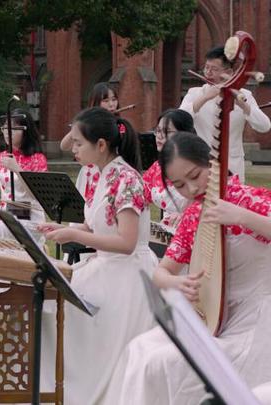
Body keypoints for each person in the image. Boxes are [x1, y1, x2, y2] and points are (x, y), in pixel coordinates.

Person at [103, 132, 271, 405]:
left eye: (195, 176)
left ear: (212, 164)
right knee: (139, 349)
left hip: (256, 320)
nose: (191, 190)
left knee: (166, 362)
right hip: (213, 317)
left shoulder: (248, 199)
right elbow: (161, 272)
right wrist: (176, 283)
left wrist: (240, 216)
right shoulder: (194, 213)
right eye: (180, 185)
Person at [38, 107, 157, 404]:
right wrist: (66, 227)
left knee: (58, 314)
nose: (73, 148)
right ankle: (58, 389)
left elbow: (126, 242)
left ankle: (72, 390)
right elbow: (96, 223)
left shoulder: (127, 179)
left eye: (79, 143)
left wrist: (75, 236)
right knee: (47, 307)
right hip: (106, 267)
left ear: (101, 145)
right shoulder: (101, 174)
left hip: (127, 276)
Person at [180, 46, 271, 181]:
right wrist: (204, 98)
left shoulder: (244, 95)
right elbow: (179, 119)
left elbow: (264, 126)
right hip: (202, 163)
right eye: (206, 67)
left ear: (228, 72)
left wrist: (244, 105)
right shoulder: (195, 93)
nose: (208, 73)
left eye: (214, 69)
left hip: (232, 165)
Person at [0, 108, 47, 243]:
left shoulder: (37, 158)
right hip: (5, 216)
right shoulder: (2, 157)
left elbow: (37, 193)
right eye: (5, 128)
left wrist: (17, 169)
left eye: (13, 129)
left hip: (29, 219)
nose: (7, 133)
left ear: (26, 131)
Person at [61, 82, 120, 200]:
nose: (111, 104)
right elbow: (64, 146)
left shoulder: (118, 124)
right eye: (106, 101)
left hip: (111, 171)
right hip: (90, 171)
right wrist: (81, 124)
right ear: (96, 103)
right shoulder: (88, 125)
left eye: (114, 100)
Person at [142, 109, 194, 230]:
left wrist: (185, 215)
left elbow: (209, 203)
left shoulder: (196, 167)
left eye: (167, 131)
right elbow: (140, 194)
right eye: (158, 130)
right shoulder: (158, 167)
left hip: (196, 230)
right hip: (168, 230)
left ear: (184, 134)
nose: (159, 136)